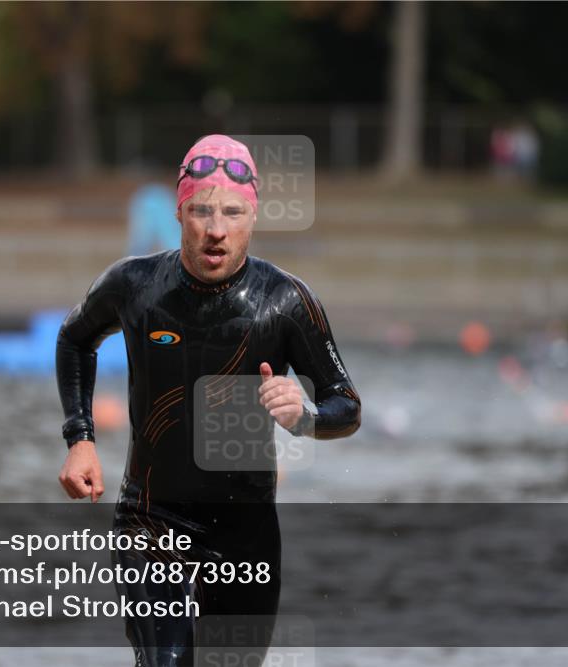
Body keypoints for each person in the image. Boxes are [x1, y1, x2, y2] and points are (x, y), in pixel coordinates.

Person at [56, 134, 361, 666]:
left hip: (245, 536)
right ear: (179, 213)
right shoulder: (134, 286)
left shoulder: (285, 302)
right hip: (150, 520)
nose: (216, 229)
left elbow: (347, 405)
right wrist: (80, 438)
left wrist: (306, 418)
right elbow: (75, 338)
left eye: (232, 212)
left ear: (253, 217)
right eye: (201, 211)